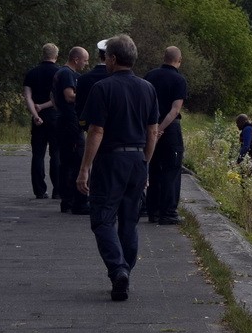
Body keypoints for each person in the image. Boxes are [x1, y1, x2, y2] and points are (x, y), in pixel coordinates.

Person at [77, 35, 159, 302]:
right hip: (137, 160)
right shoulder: (148, 88)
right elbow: (153, 131)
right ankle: (125, 271)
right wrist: (145, 162)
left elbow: (96, 130)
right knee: (129, 220)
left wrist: (85, 167)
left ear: (111, 59)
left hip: (111, 161)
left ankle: (118, 268)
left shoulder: (102, 88)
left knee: (102, 218)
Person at [144, 47, 188, 225]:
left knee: (154, 169)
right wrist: (160, 129)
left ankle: (152, 211)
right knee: (171, 170)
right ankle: (168, 212)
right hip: (169, 130)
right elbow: (174, 109)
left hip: (149, 127)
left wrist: (151, 129)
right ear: (179, 60)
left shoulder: (149, 76)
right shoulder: (179, 80)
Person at [51, 46, 90, 214]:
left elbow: (53, 97)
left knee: (66, 160)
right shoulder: (67, 74)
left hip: (63, 120)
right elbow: (69, 95)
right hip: (69, 122)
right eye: (85, 60)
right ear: (76, 59)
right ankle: (73, 200)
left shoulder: (60, 73)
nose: (86, 64)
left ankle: (67, 200)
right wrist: (87, 96)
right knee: (75, 159)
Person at [22, 43, 60, 199]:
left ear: (42, 54)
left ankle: (39, 190)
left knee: (38, 154)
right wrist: (43, 106)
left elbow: (27, 97)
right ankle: (58, 190)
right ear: (56, 55)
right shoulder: (60, 73)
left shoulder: (31, 73)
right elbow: (58, 98)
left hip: (38, 119)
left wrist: (35, 114)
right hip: (55, 117)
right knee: (56, 154)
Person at [76, 39, 110, 131]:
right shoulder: (118, 78)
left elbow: (79, 106)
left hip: (90, 127)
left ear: (99, 55)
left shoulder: (83, 79)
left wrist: (83, 124)